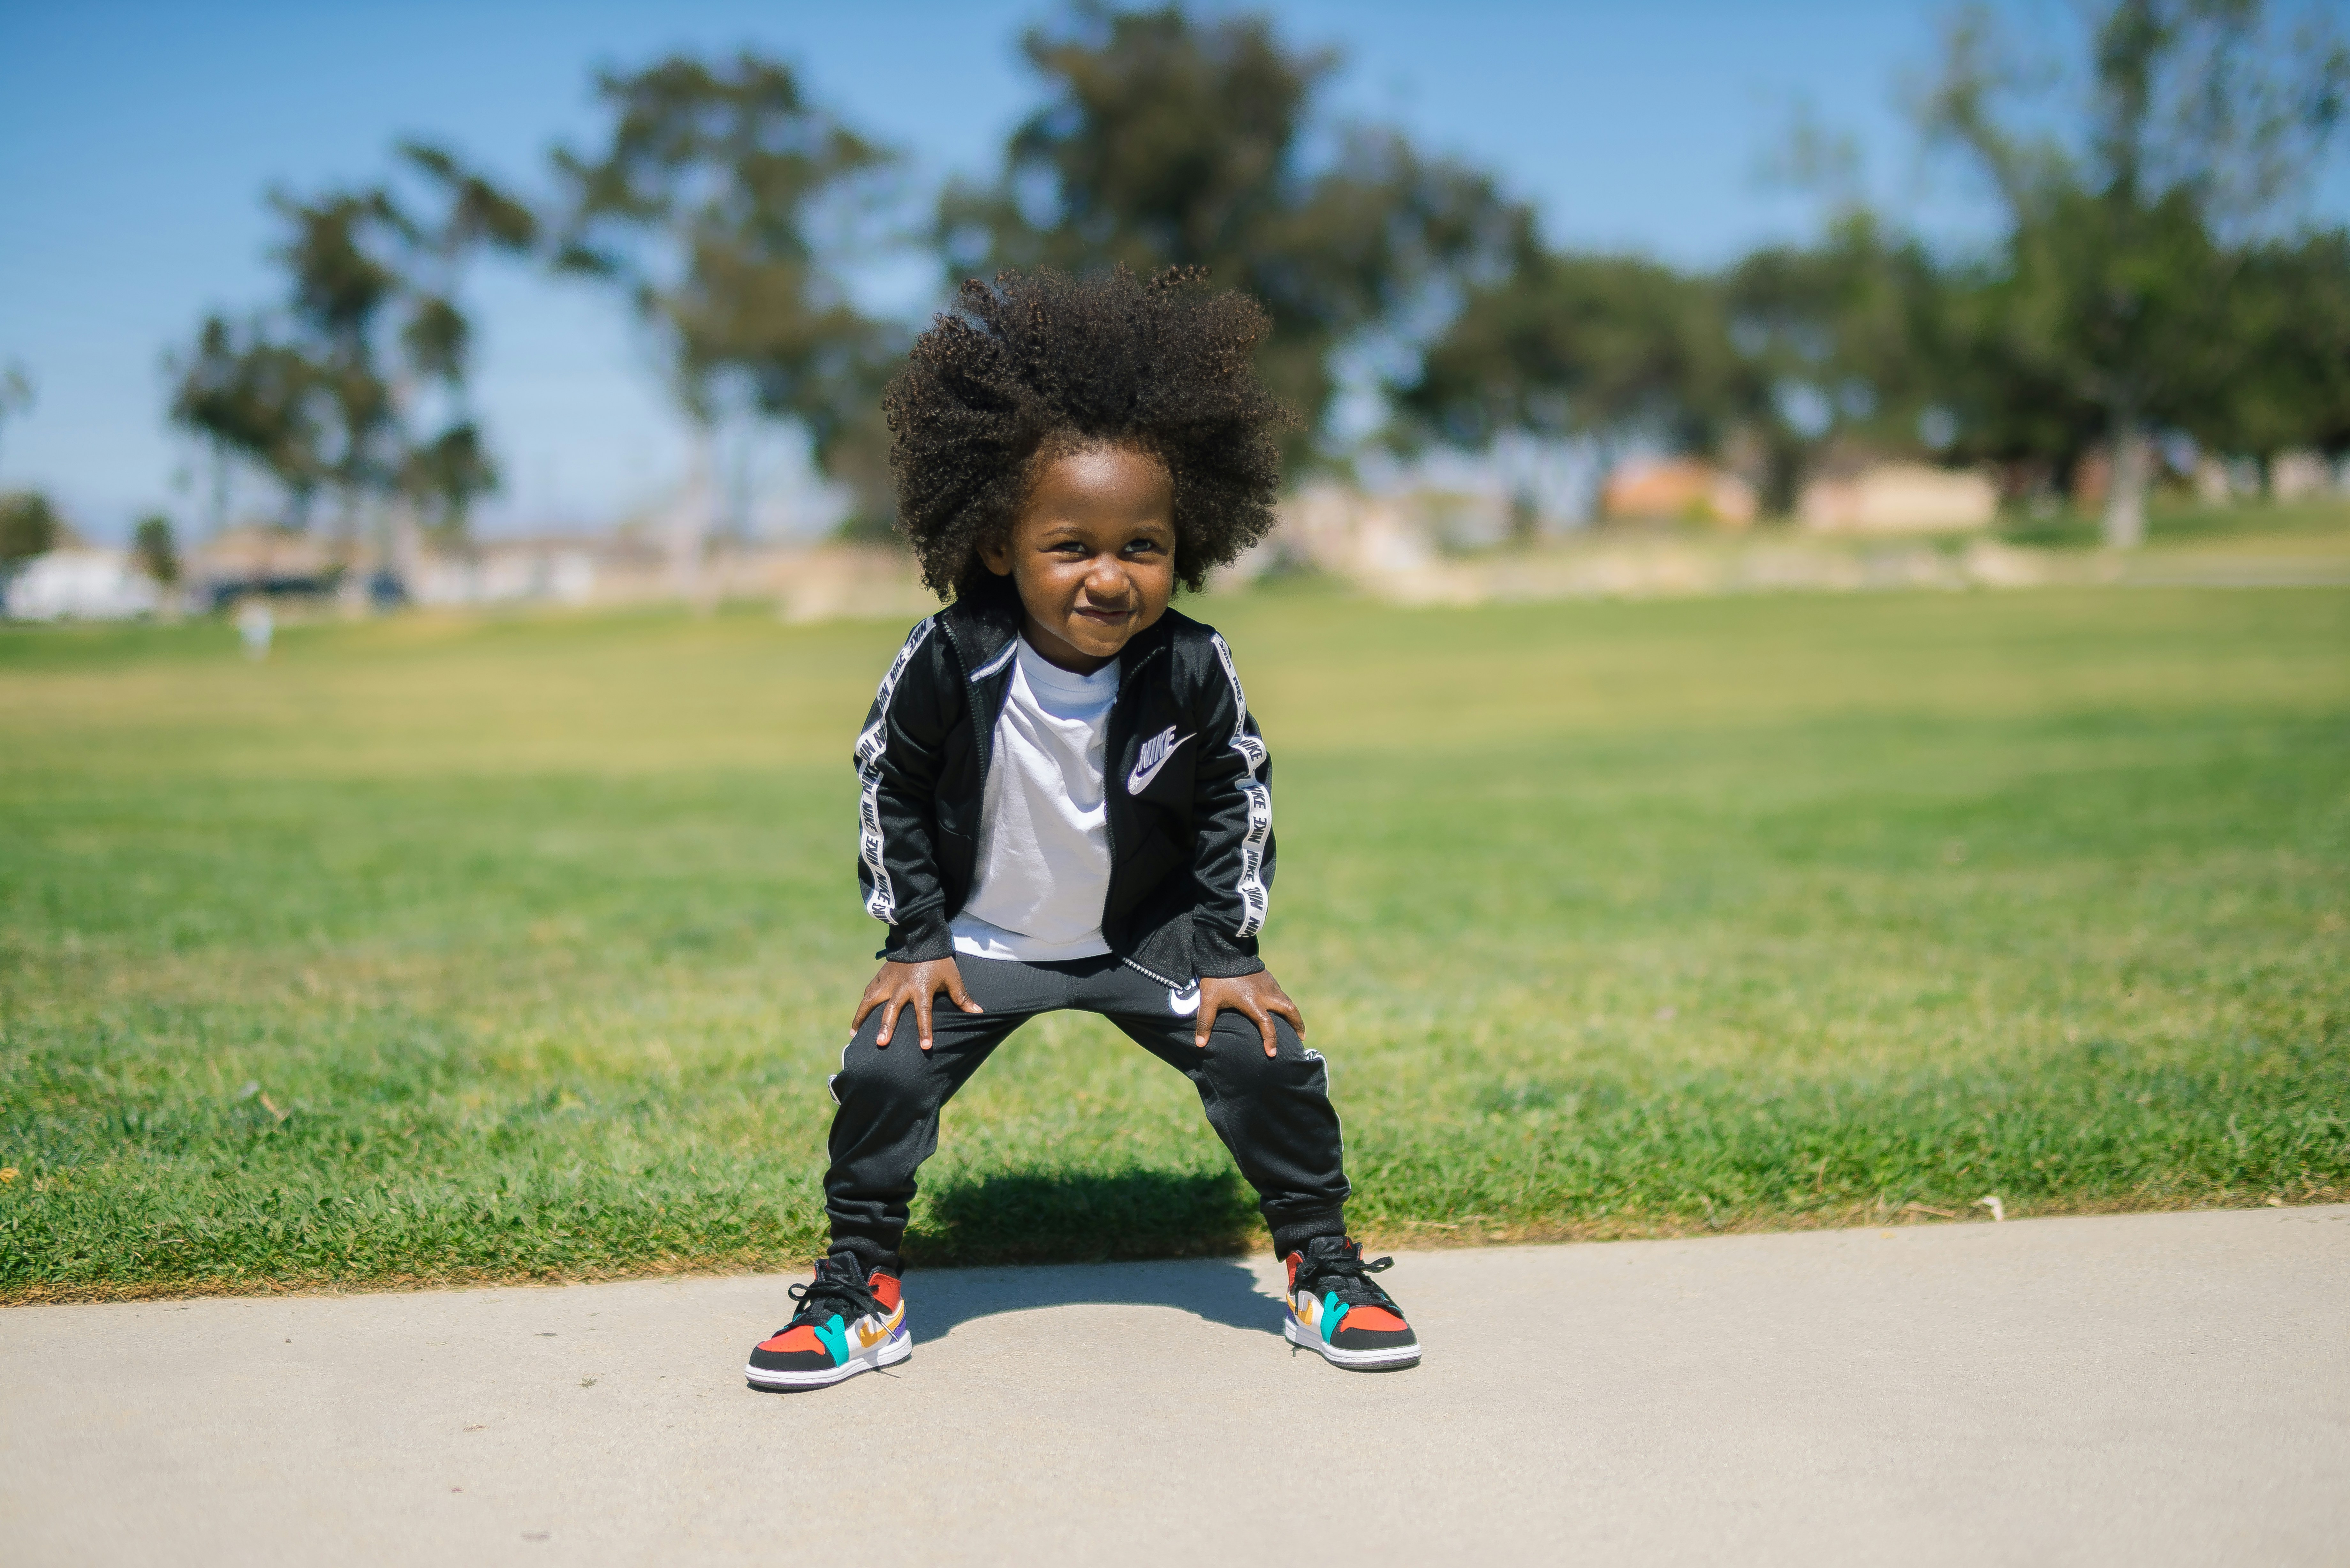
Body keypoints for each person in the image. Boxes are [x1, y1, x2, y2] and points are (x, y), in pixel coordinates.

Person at [745, 267, 1419, 1391]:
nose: (1108, 578)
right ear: (1003, 543)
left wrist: (1228, 954)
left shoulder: (1192, 663)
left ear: (1182, 542)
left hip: (1141, 941)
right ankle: (860, 1290)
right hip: (979, 949)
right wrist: (914, 937)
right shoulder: (952, 657)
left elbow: (1236, 799)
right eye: (1072, 546)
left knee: (1268, 1057)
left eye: (1141, 547)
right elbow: (887, 782)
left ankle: (1324, 1266)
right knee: (884, 1072)